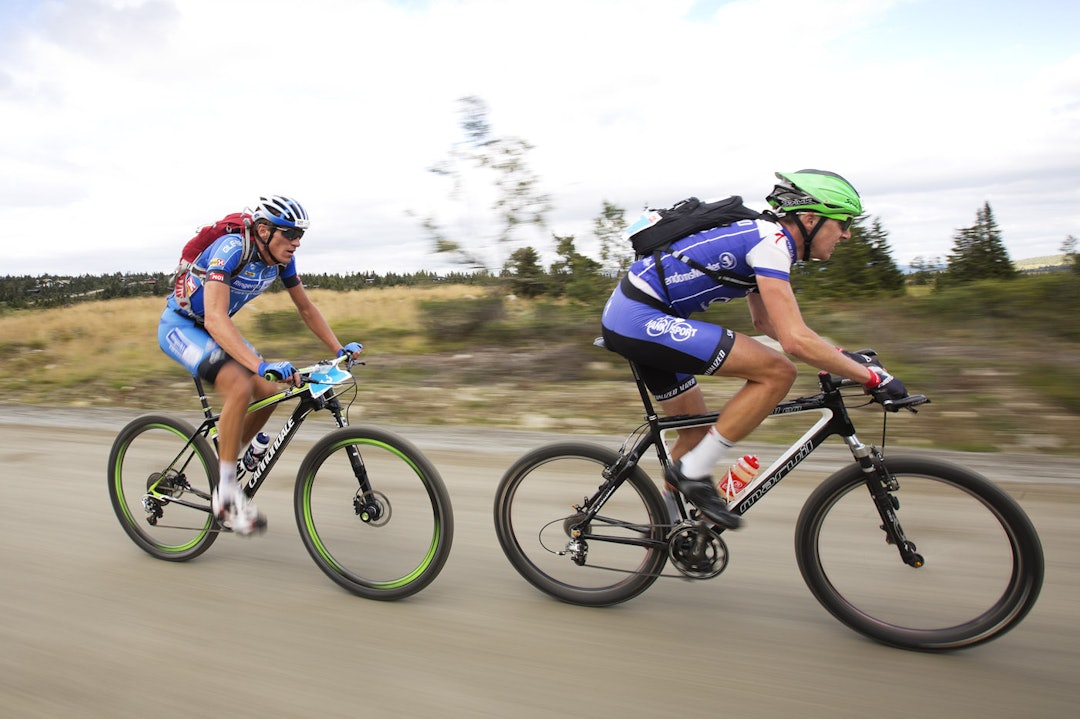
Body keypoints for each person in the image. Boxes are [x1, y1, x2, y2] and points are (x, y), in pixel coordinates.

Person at [600, 169, 908, 529]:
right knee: (778, 371)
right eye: (842, 223)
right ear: (810, 218)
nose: (846, 234)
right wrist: (872, 378)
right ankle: (695, 474)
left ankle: (671, 530)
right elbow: (793, 341)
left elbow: (768, 324)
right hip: (638, 318)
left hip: (643, 318)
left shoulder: (767, 240)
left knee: (695, 434)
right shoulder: (772, 242)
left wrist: (844, 357)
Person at [158, 195, 363, 535]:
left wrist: (338, 347)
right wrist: (259, 363)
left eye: (301, 236)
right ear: (265, 230)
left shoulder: (281, 261)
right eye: (290, 234)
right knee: (240, 385)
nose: (296, 243)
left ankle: (229, 457)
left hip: (215, 327)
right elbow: (215, 318)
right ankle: (225, 497)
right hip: (182, 327)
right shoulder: (232, 249)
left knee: (267, 388)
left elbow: (306, 308)